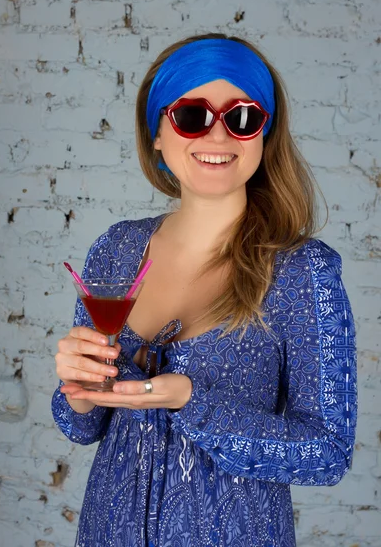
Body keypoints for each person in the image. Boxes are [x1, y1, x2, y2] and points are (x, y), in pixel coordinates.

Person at [52, 33, 357, 547]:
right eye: (192, 116)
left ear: (264, 134)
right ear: (156, 134)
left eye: (242, 118)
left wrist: (192, 401)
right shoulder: (117, 249)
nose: (218, 138)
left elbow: (328, 453)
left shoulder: (303, 271)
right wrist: (78, 393)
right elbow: (83, 425)